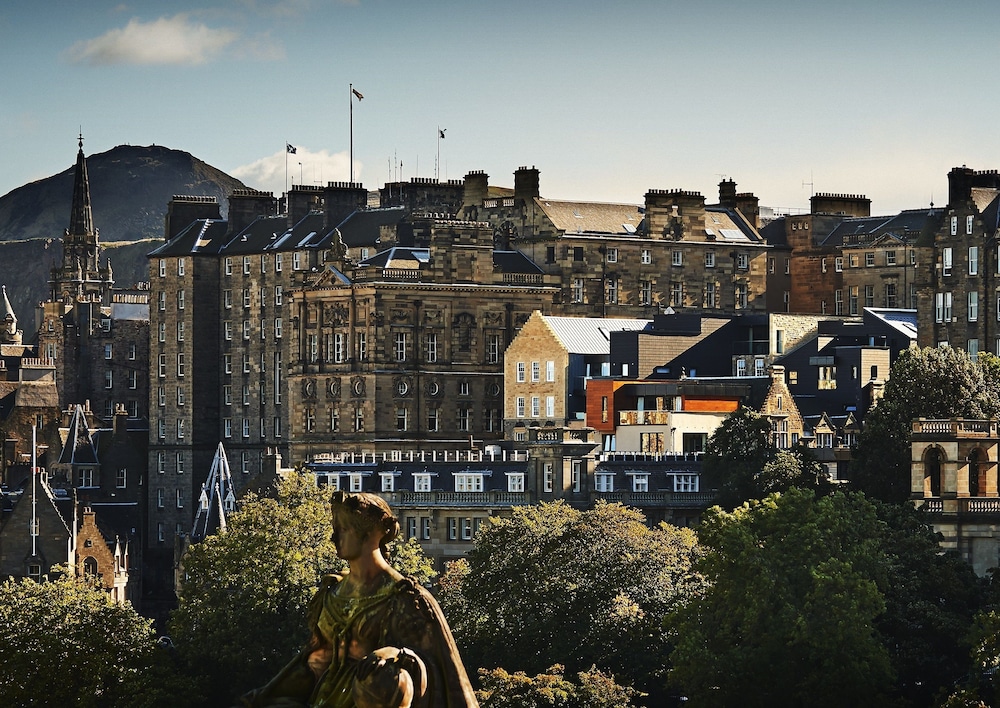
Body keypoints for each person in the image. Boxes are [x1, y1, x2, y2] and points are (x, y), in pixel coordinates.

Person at [239, 491, 478, 708]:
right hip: (322, 697)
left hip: (369, 697)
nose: (334, 537)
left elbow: (436, 672)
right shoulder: (332, 592)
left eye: (343, 529)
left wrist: (395, 654)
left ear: (370, 535)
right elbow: (314, 663)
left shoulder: (404, 598)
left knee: (386, 679)